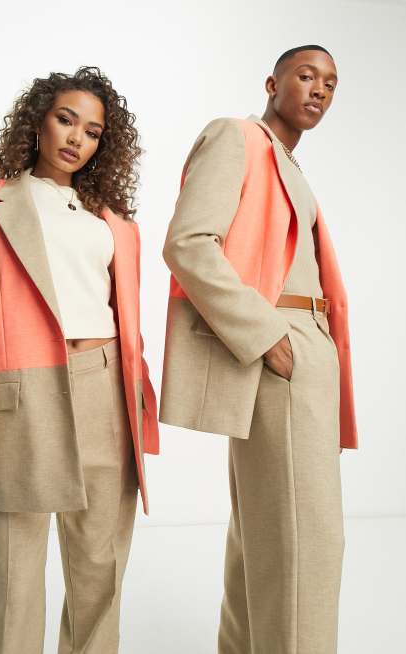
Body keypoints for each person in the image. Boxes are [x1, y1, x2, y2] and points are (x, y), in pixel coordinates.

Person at [0, 66, 159, 654]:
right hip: (24, 398)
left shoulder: (113, 221)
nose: (76, 138)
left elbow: (126, 319)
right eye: (66, 120)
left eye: (92, 131)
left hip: (106, 393)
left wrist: (139, 401)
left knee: (99, 568)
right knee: (15, 570)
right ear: (38, 122)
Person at [159, 45, 358, 653]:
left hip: (306, 344)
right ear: (272, 83)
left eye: (330, 83)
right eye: (306, 75)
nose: (319, 89)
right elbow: (189, 242)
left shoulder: (288, 163)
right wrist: (265, 335)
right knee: (307, 538)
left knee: (265, 534)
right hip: (280, 341)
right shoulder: (236, 136)